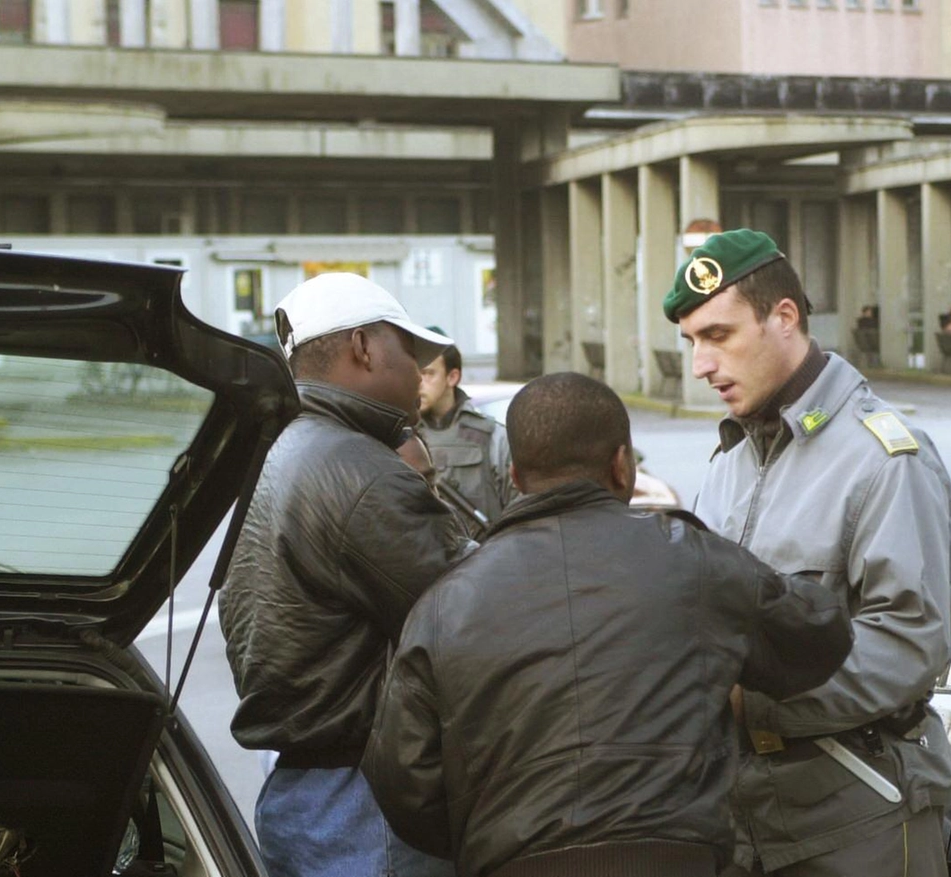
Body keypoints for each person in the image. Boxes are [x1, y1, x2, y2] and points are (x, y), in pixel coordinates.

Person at [362, 372, 854, 877]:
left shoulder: (445, 603)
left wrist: (489, 840)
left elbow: (403, 779)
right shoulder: (692, 562)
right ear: (622, 466)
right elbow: (821, 637)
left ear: (514, 476)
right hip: (674, 861)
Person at [665, 229, 951, 876]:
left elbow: (912, 643)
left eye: (718, 335)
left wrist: (749, 699)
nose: (700, 365)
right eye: (691, 341)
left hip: (858, 813)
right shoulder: (732, 463)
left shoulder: (882, 457)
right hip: (744, 814)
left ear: (784, 317)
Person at [218, 272, 473, 877]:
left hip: (301, 795)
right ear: (363, 347)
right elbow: (472, 610)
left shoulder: (284, 448)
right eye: (410, 352)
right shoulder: (355, 466)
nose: (418, 373)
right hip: (368, 805)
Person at [416, 337, 515, 534]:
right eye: (415, 373)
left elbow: (517, 508)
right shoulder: (404, 437)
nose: (419, 382)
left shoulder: (493, 437)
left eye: (427, 373)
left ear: (452, 377)